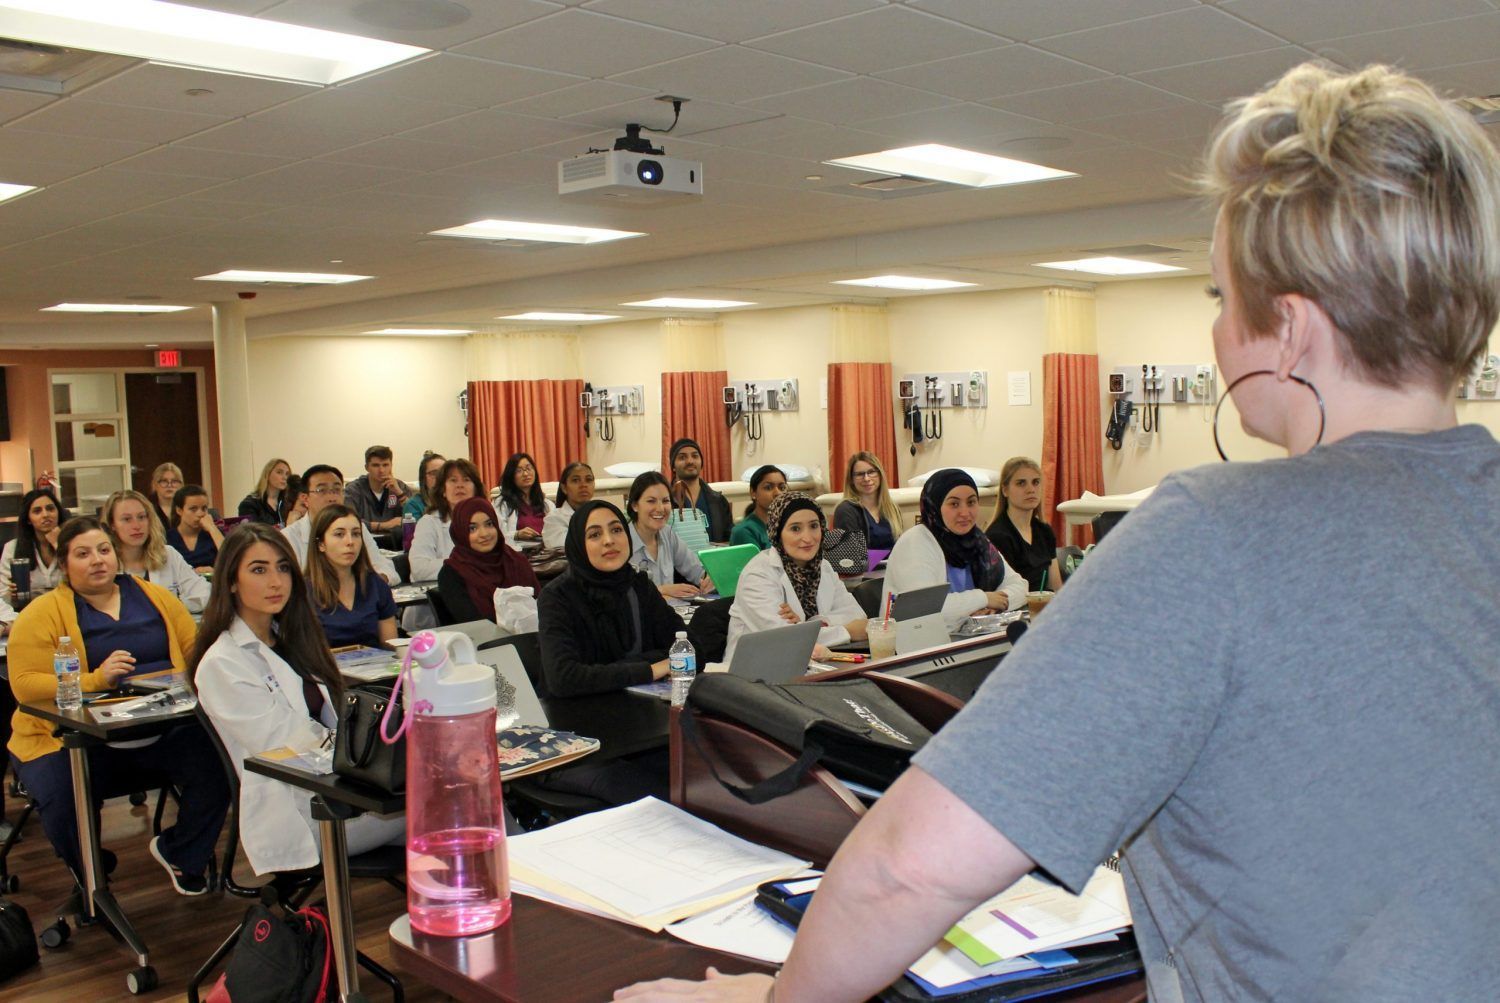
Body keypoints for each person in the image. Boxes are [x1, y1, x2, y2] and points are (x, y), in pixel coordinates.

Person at [615, 63, 1500, 1003]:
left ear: (1287, 327)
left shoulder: (1215, 537)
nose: (1217, 329)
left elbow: (909, 867)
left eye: (1217, 296)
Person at [6, 516, 229, 895]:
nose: (97, 560)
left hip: (158, 731)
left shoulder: (156, 597)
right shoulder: (41, 614)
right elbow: (24, 686)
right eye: (83, 554)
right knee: (62, 799)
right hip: (72, 739)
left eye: (104, 550)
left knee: (220, 765)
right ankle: (93, 876)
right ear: (64, 564)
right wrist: (95, 680)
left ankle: (180, 852)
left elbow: (195, 652)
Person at [191, 524, 405, 874]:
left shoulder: (291, 639)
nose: (276, 581)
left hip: (343, 791)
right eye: (258, 570)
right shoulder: (222, 663)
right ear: (230, 580)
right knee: (454, 803)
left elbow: (334, 722)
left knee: (458, 802)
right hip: (304, 815)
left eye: (283, 568)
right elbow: (286, 745)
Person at [537, 500, 681, 697]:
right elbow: (564, 678)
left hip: (641, 709)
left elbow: (690, 646)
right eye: (595, 534)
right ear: (579, 544)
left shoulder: (639, 585)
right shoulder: (558, 596)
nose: (609, 540)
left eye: (616, 530)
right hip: (577, 716)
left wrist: (607, 671)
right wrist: (651, 668)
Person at [723, 492, 867, 664]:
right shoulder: (758, 575)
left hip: (813, 666)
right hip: (756, 673)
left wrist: (812, 623)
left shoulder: (823, 567)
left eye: (814, 526)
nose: (807, 538)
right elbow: (788, 639)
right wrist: (847, 632)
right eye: (795, 528)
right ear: (777, 533)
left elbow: (858, 617)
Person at [881, 469, 1026, 632]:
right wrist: (983, 599)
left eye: (971, 502)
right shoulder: (915, 542)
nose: (965, 513)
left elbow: (1020, 586)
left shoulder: (978, 541)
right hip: (920, 648)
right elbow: (924, 609)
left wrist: (994, 608)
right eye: (954, 504)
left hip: (970, 640)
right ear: (934, 506)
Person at [282, 464, 398, 586]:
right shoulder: (289, 537)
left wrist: (373, 584)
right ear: (305, 499)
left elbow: (384, 567)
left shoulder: (356, 528)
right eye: (321, 490)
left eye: (337, 490)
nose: (332, 497)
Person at [102, 490, 212, 613]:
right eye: (127, 519)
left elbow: (205, 594)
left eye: (142, 517)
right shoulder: (103, 564)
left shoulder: (168, 554)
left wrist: (173, 605)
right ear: (112, 524)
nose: (137, 525)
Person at [305, 504, 397, 649]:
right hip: (326, 669)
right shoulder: (304, 592)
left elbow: (391, 646)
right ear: (321, 544)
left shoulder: (376, 585)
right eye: (339, 534)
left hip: (376, 668)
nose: (350, 542)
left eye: (356, 534)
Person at [436, 497, 540, 624]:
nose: (484, 534)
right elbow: (473, 624)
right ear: (460, 533)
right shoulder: (452, 573)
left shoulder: (516, 561)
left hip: (532, 639)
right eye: (472, 528)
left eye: (489, 524)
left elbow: (540, 607)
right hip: (483, 641)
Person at [625, 472, 711, 599]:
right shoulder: (622, 541)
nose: (660, 508)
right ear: (634, 505)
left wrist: (710, 579)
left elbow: (697, 571)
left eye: (665, 501)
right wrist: (661, 590)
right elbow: (620, 593)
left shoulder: (668, 533)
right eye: (651, 501)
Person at [984, 457, 1060, 592]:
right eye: (1021, 483)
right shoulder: (997, 536)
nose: (1031, 489)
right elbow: (1003, 592)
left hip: (1045, 605)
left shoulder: (1044, 530)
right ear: (1005, 490)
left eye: (1036, 482)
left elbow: (1056, 586)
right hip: (1016, 608)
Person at [409, 457, 485, 582]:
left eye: (466, 480)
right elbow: (419, 569)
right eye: (453, 480)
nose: (460, 485)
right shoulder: (429, 522)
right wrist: (469, 565)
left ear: (476, 488)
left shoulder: (491, 518)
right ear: (443, 490)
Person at [0, 487, 70, 599]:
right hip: (28, 611)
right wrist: (11, 595)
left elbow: (83, 583)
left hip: (69, 609)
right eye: (37, 511)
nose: (45, 515)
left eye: (50, 509)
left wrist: (59, 545)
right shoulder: (12, 548)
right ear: (28, 519)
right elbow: (3, 595)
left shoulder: (74, 543)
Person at [832, 451, 903, 552]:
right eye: (860, 474)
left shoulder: (892, 508)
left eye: (871, 472)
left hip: (894, 566)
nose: (866, 478)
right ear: (851, 480)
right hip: (867, 568)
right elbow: (851, 557)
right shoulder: (845, 511)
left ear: (880, 474)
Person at [343, 445, 411, 549]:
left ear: (391, 465)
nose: (381, 470)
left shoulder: (400, 486)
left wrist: (399, 493)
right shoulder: (353, 490)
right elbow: (348, 521)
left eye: (385, 465)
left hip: (396, 544)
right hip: (363, 544)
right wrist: (384, 525)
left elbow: (416, 517)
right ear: (366, 467)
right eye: (376, 465)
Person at [667, 437, 732, 543]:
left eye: (695, 456)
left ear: (701, 463)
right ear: (673, 466)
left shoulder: (719, 501)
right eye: (682, 457)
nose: (690, 461)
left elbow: (729, 538)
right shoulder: (666, 502)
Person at [496, 451, 553, 543]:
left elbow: (556, 530)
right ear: (511, 476)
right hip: (519, 552)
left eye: (528, 468)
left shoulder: (546, 504)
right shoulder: (502, 503)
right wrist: (517, 534)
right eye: (519, 471)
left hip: (546, 552)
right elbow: (496, 533)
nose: (526, 474)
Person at [728, 464, 787, 551]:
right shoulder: (744, 532)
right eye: (768, 487)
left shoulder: (789, 526)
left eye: (782, 488)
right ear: (753, 493)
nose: (777, 493)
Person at [166, 484, 224, 571]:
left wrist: (212, 528)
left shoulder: (214, 534)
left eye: (204, 508)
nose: (200, 514)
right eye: (193, 509)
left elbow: (230, 558)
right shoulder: (168, 538)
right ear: (179, 510)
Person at [542, 461, 595, 549]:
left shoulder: (602, 513)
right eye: (575, 480)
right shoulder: (554, 519)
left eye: (588, 480)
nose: (583, 485)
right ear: (564, 488)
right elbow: (562, 548)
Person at [237, 457, 292, 525]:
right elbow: (251, 533)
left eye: (287, 474)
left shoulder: (289, 503)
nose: (284, 477)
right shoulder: (250, 504)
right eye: (279, 472)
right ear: (267, 474)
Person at [402, 451, 445, 521]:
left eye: (445, 472)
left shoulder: (455, 501)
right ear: (423, 478)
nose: (441, 477)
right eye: (434, 473)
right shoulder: (413, 505)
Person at [148, 462, 184, 528]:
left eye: (174, 481)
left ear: (181, 485)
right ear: (155, 485)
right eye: (164, 481)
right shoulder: (148, 509)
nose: (169, 485)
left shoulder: (187, 508)